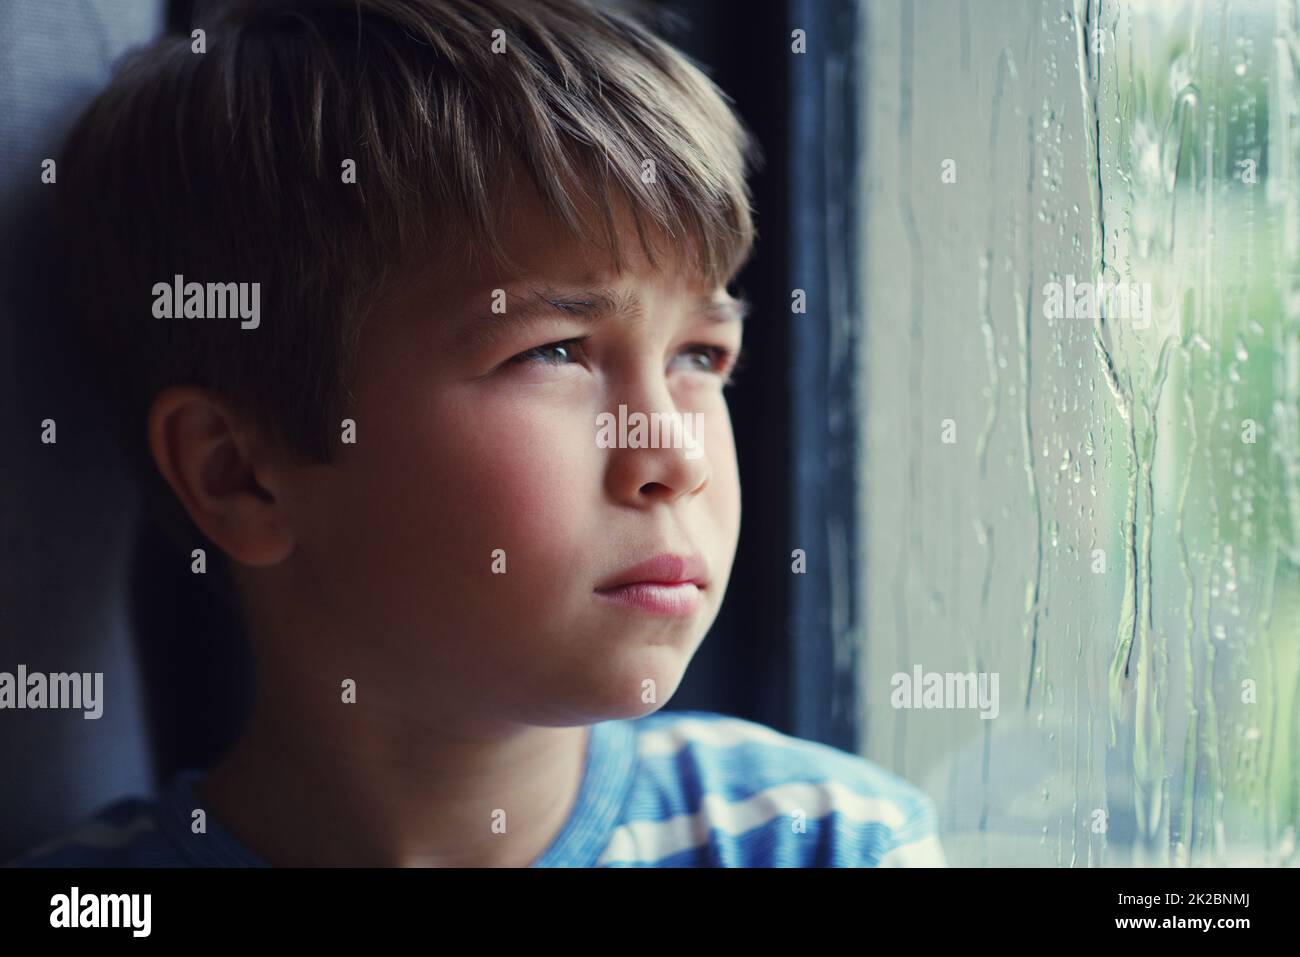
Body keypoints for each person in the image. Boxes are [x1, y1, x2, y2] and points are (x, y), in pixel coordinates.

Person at [9, 0, 943, 867]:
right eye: (556, 352)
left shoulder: (827, 842)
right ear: (238, 474)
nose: (675, 457)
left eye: (700, 355)